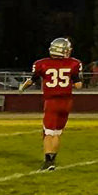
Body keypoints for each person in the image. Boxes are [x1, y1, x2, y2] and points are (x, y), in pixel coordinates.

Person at [19, 38, 82, 171]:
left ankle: (48, 162)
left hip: (52, 101)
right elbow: (78, 85)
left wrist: (21, 88)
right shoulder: (74, 63)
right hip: (66, 102)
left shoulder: (42, 64)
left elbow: (31, 80)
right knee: (57, 133)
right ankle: (52, 160)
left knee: (48, 132)